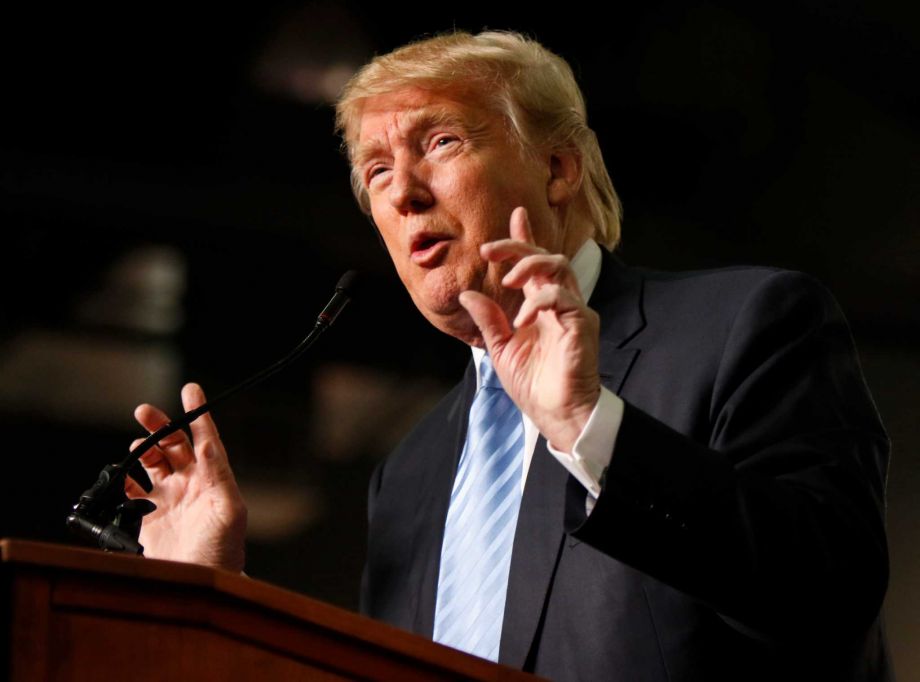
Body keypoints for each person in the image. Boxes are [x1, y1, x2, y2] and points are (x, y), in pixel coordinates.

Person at [127, 31, 891, 681]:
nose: (403, 194)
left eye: (441, 142)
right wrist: (212, 600)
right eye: (377, 171)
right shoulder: (411, 472)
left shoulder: (741, 327)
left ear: (558, 169)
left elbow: (830, 602)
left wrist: (590, 427)